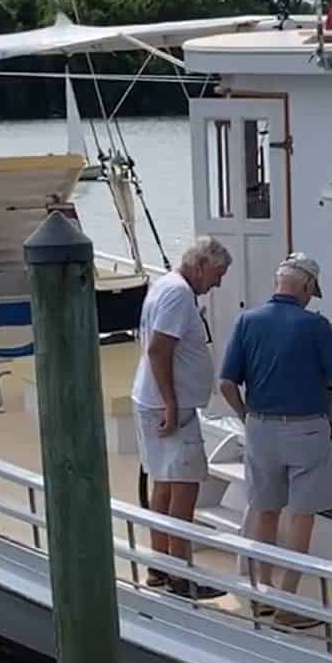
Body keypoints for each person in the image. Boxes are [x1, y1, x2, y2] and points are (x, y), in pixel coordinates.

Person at [217, 253, 332, 631]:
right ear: (306, 287)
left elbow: (226, 383)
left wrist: (247, 417)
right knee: (301, 516)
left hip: (260, 428)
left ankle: (261, 595)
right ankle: (288, 603)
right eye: (313, 292)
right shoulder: (314, 326)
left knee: (264, 510)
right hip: (306, 431)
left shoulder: (247, 321)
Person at [131, 237, 231, 599]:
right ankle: (180, 577)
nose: (218, 283)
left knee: (164, 484)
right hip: (168, 408)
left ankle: (159, 567)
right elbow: (159, 349)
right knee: (184, 488)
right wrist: (172, 405)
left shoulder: (165, 285)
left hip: (151, 400)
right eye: (218, 274)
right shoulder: (178, 295)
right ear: (201, 265)